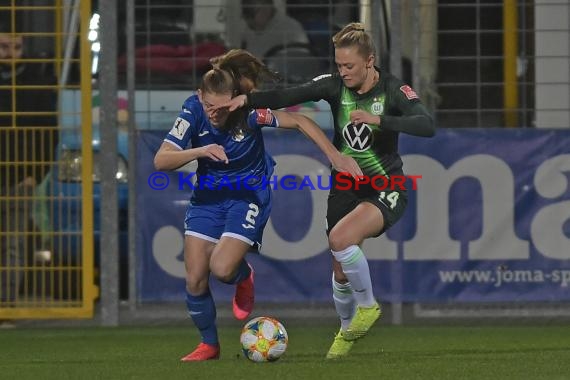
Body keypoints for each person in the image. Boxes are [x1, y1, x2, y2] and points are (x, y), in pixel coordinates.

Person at [215, 22, 435, 359]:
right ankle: (346, 334)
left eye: (349, 66)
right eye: (338, 65)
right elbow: (292, 95)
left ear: (370, 61)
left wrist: (381, 121)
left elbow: (426, 125)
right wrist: (248, 99)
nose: (342, 72)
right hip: (345, 185)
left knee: (340, 239)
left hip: (385, 185)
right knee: (339, 268)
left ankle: (368, 307)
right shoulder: (335, 87)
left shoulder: (393, 90)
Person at [153, 49, 361, 361]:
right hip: (208, 197)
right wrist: (199, 151)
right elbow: (161, 160)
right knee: (195, 277)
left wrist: (336, 157)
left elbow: (301, 121)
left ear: (233, 98)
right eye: (209, 105)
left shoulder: (249, 112)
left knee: (222, 269)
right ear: (199, 96)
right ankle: (209, 345)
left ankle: (242, 276)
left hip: (247, 195)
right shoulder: (192, 109)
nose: (214, 113)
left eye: (221, 108)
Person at [0, 24, 58, 321]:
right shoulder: (37, 80)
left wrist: (35, 173)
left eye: (16, 47)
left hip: (19, 177)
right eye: (5, 47)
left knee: (11, 244)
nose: (10, 54)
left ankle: (5, 307)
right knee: (11, 243)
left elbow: (49, 132)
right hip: (17, 174)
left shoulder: (36, 82)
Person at [238, 0, 310, 60]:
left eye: (251, 13)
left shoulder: (291, 29)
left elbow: (303, 64)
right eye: (245, 14)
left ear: (267, 7)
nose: (248, 20)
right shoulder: (250, 30)